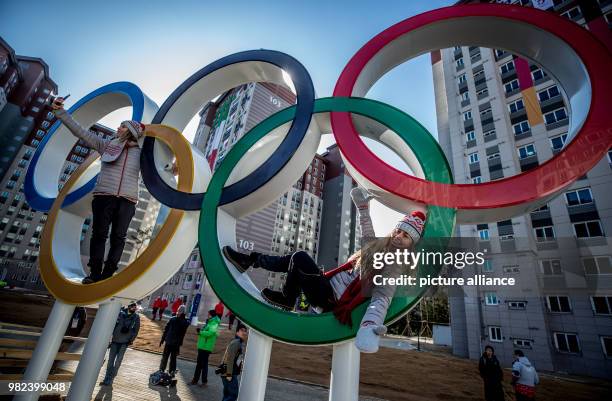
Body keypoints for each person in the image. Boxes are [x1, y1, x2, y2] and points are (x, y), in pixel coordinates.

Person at [223, 187, 425, 353]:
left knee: (300, 257)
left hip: (331, 300)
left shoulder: (394, 265)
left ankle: (284, 297)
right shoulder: (376, 248)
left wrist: (369, 325)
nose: (399, 236)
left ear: (412, 244)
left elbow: (382, 297)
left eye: (406, 236)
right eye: (398, 230)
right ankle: (250, 261)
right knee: (293, 259)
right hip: (325, 287)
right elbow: (367, 232)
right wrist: (363, 208)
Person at [51, 97, 146, 284]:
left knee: (119, 237)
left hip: (127, 200)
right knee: (99, 234)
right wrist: (60, 112)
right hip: (104, 196)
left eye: (122, 126)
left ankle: (108, 274)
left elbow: (161, 166)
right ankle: (94, 274)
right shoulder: (107, 145)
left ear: (131, 132)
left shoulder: (142, 153)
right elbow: (81, 132)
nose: (118, 128)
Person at [100, 302, 140, 386]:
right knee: (110, 361)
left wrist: (131, 340)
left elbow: (136, 330)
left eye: (134, 307)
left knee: (118, 362)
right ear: (128, 306)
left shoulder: (136, 317)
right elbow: (112, 325)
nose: (133, 309)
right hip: (114, 341)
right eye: (132, 307)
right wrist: (109, 338)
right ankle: (106, 379)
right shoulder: (119, 313)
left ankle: (111, 379)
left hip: (124, 343)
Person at [190, 310, 221, 386]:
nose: (207, 315)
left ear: (211, 315)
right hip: (203, 346)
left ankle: (202, 381)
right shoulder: (210, 322)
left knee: (203, 365)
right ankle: (197, 380)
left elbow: (211, 333)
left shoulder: (214, 323)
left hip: (206, 347)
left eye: (208, 314)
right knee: (200, 364)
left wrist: (200, 332)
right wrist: (201, 331)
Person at [159, 304, 190, 375]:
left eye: (180, 311)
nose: (178, 312)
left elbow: (183, 331)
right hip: (169, 341)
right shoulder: (172, 319)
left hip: (176, 343)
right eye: (178, 310)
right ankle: (161, 370)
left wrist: (181, 318)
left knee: (173, 358)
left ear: (183, 312)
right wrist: (163, 339)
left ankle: (171, 371)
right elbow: (166, 329)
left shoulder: (184, 322)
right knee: (165, 357)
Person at [220, 324, 248, 401]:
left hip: (228, 373)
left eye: (245, 331)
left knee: (227, 395)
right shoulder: (236, 343)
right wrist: (229, 374)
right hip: (230, 374)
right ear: (237, 332)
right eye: (242, 330)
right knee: (233, 396)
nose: (244, 332)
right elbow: (229, 359)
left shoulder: (238, 342)